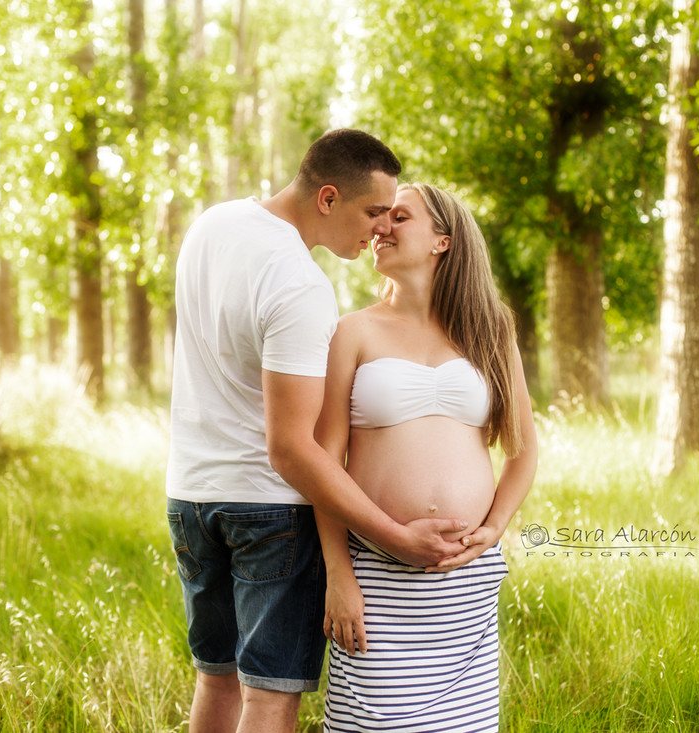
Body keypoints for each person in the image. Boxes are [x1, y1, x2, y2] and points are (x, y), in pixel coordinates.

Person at [165, 132, 469, 733]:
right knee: (269, 697)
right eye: (373, 211)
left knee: (215, 680)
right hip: (268, 513)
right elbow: (291, 449)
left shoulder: (211, 225)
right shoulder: (301, 285)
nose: (379, 229)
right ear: (328, 198)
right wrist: (395, 538)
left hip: (191, 499)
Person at [315, 182, 539, 732]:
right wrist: (339, 575)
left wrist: (493, 529)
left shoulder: (490, 329)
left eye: (400, 217)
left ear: (443, 240)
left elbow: (523, 450)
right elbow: (323, 462)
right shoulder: (352, 331)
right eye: (380, 217)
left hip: (464, 581)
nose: (380, 227)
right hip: (377, 579)